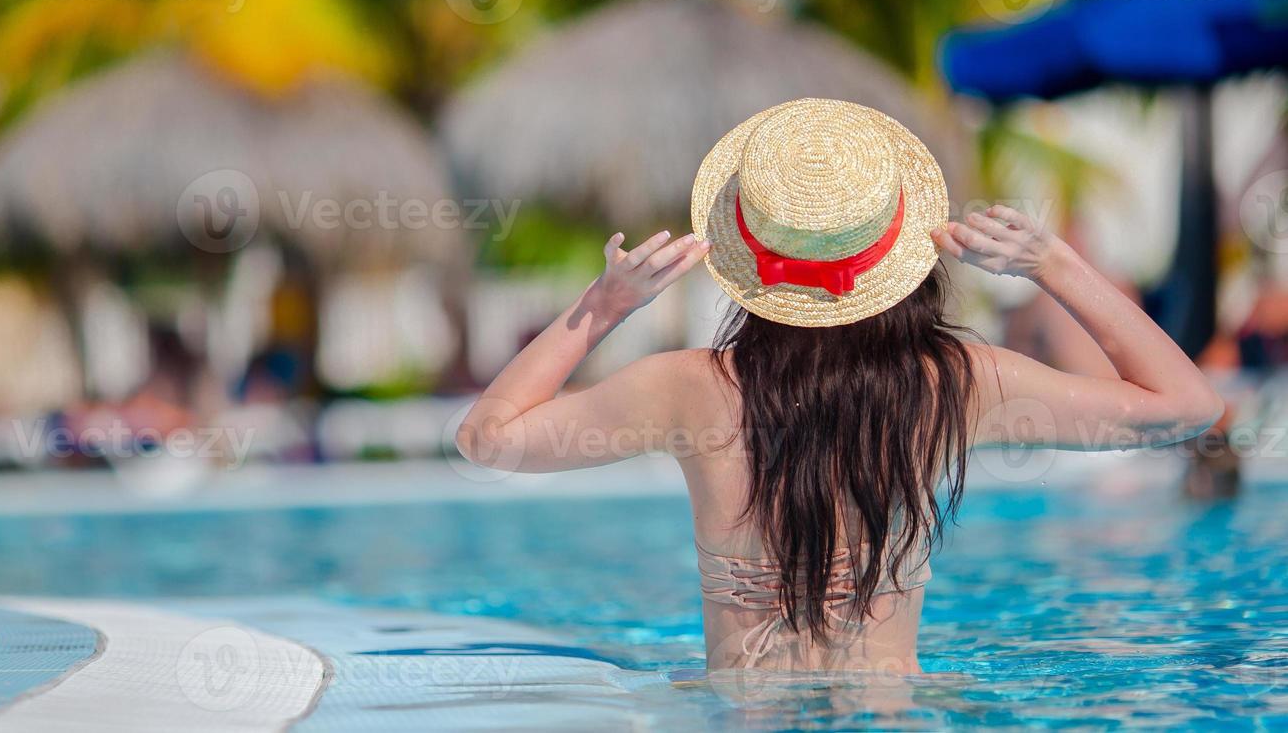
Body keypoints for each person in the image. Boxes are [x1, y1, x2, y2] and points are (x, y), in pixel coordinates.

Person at [456, 99, 1222, 676]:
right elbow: (1186, 408)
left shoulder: (686, 389)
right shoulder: (955, 385)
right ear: (899, 248)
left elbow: (487, 438)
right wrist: (1052, 264)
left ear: (747, 260)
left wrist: (603, 308)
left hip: (740, 716)